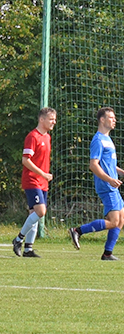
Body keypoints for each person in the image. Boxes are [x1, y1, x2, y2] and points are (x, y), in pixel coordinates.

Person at [68, 107, 124, 260]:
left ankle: (107, 253)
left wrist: (123, 173)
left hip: (112, 184)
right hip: (106, 185)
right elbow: (94, 165)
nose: (114, 120)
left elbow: (109, 164)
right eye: (111, 117)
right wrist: (109, 179)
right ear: (102, 120)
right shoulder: (98, 140)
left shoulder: (108, 139)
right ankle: (78, 231)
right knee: (113, 221)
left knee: (122, 217)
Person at [12, 107, 58, 258]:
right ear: (41, 119)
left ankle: (28, 249)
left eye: (54, 119)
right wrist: (42, 173)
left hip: (42, 181)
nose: (54, 122)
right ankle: (18, 239)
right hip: (32, 180)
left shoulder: (47, 137)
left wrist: (44, 176)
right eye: (51, 119)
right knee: (41, 211)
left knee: (35, 214)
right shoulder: (33, 136)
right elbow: (25, 160)